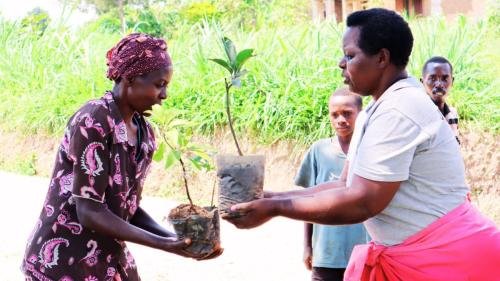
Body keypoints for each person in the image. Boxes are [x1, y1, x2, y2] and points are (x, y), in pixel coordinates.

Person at [223, 8, 500, 281]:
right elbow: (346, 185)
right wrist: (272, 197)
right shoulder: (374, 110)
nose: (341, 64)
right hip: (419, 259)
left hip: (450, 261)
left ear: (382, 58)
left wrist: (275, 209)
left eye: (350, 55)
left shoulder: (400, 108)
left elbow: (364, 201)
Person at [21, 33, 221, 281]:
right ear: (130, 79)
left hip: (108, 258)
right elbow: (89, 210)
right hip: (64, 263)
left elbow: (127, 208)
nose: (165, 95)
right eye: (159, 84)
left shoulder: (145, 134)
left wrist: (176, 240)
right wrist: (162, 243)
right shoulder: (93, 120)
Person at [295, 88, 368, 281]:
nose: (340, 119)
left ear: (360, 115)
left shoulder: (370, 151)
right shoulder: (319, 151)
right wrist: (307, 246)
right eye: (334, 114)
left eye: (347, 113)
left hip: (363, 253)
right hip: (326, 254)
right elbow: (308, 201)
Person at [421, 56, 460, 143]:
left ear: (452, 81)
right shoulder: (417, 116)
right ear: (422, 82)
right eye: (433, 79)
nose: (439, 84)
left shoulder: (453, 114)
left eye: (444, 79)